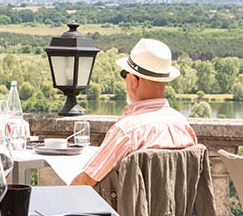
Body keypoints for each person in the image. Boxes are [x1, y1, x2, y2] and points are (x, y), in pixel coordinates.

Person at [70, 38, 197, 186]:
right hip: (177, 209)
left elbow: (86, 182)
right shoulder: (184, 127)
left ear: (135, 80)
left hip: (123, 210)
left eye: (125, 74)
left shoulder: (127, 131)